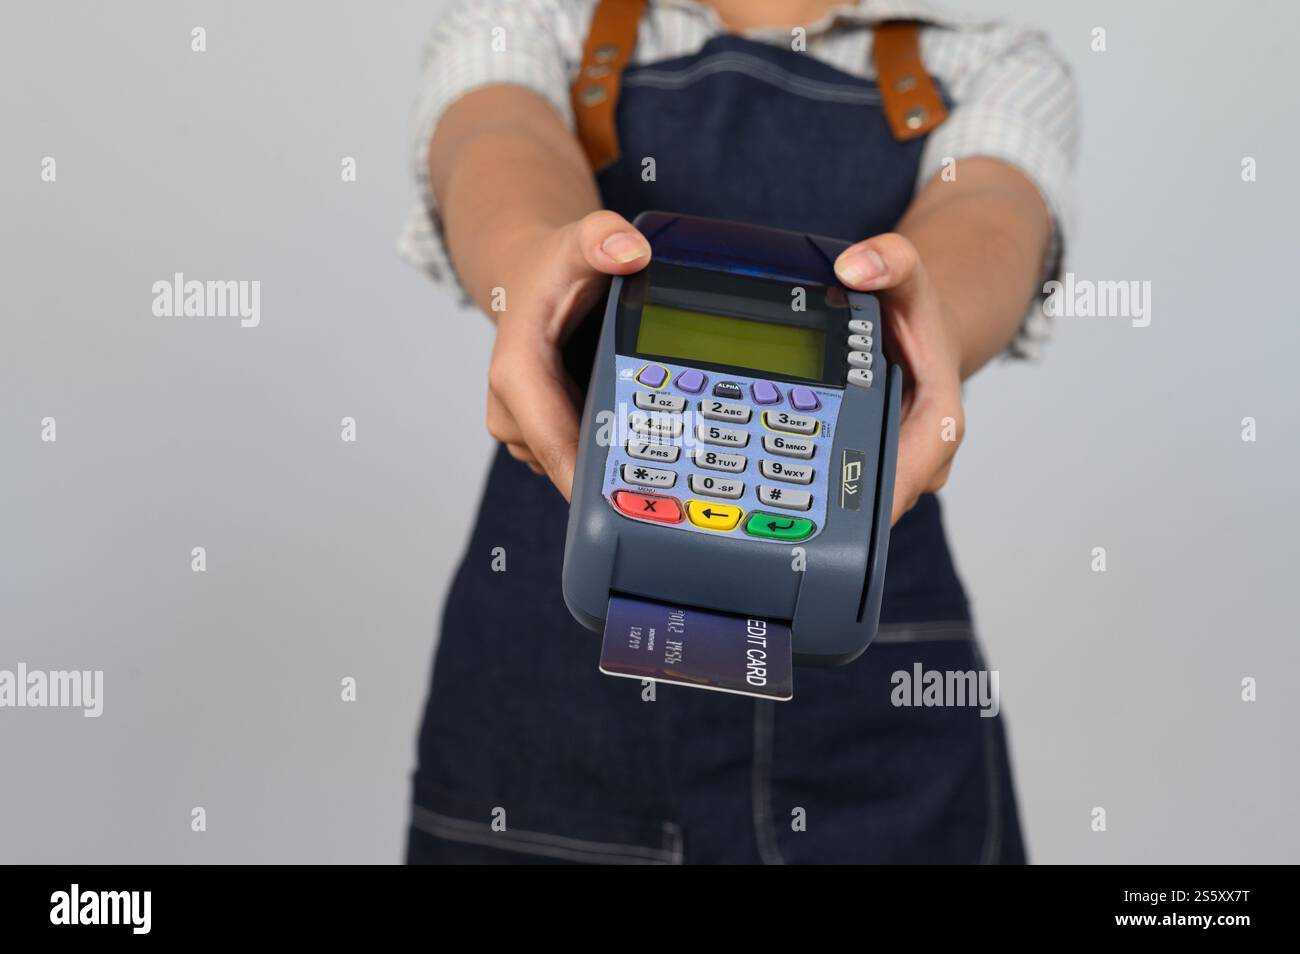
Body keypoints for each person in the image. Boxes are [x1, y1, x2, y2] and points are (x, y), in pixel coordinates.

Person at [399, 0, 1077, 864]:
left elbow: (988, 205)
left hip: (871, 730)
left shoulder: (989, 60)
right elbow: (499, 130)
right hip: (543, 718)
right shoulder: (536, 17)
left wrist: (930, 310)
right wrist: (534, 254)